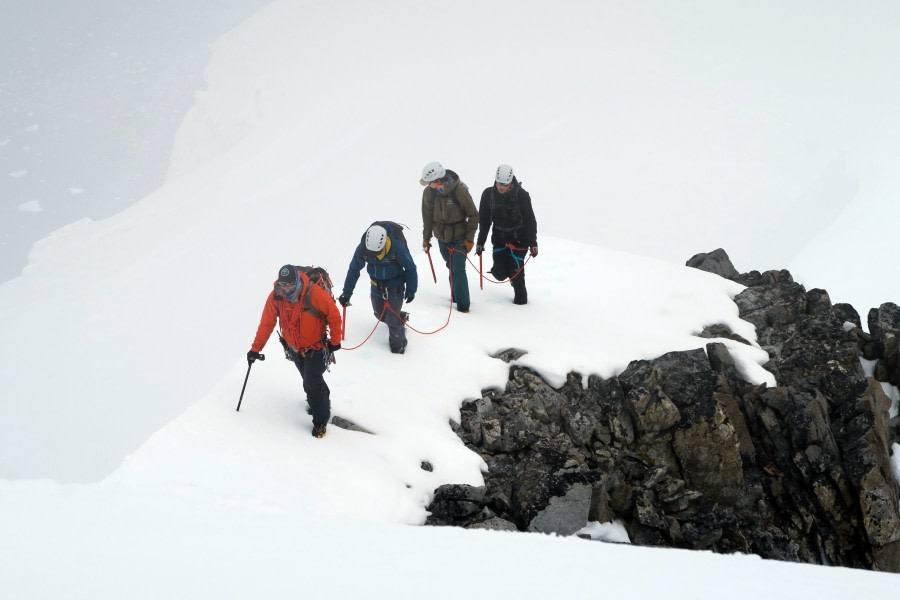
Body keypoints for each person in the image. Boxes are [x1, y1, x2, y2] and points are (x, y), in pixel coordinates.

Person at [247, 265, 342, 438]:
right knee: (311, 380)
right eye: (283, 285)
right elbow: (266, 323)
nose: (286, 289)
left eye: (290, 285)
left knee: (311, 382)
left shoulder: (314, 294)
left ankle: (320, 420)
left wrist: (335, 342)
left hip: (316, 348)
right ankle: (322, 401)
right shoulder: (276, 296)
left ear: (297, 280)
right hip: (295, 349)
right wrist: (255, 349)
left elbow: (334, 316)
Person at [339, 222, 418, 354]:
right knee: (379, 314)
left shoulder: (396, 248)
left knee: (392, 320)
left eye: (376, 252)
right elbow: (354, 270)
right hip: (376, 286)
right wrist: (346, 293)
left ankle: (398, 347)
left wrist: (411, 290)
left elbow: (411, 268)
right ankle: (399, 317)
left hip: (395, 285)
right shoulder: (363, 249)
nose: (373, 255)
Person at [420, 161, 479, 313]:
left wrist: (470, 239)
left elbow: (473, 215)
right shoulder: (429, 193)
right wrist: (426, 238)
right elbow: (427, 217)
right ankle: (456, 297)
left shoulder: (459, 191)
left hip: (460, 238)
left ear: (438, 180)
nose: (428, 185)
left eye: (430, 183)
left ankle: (463, 307)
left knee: (458, 269)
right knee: (451, 267)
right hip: (442, 238)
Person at [475, 164, 538, 305]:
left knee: (517, 275)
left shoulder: (522, 196)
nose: (501, 187)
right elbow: (484, 221)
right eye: (499, 183)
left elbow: (530, 221)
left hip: (519, 241)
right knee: (499, 274)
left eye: (505, 184)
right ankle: (509, 275)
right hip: (499, 239)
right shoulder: (488, 195)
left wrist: (533, 243)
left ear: (511, 182)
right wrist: (480, 242)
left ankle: (521, 304)